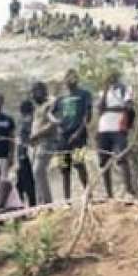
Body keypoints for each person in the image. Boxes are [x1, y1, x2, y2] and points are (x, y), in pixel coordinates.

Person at [49, 69, 92, 200]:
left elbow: (87, 115)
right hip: (62, 136)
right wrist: (55, 121)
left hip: (79, 136)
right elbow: (50, 113)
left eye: (73, 78)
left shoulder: (84, 94)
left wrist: (79, 132)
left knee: (80, 164)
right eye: (67, 78)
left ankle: (88, 196)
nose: (70, 80)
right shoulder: (61, 98)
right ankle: (67, 200)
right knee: (64, 168)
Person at [96, 71, 135, 199]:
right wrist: (106, 91)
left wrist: (120, 108)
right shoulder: (103, 91)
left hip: (118, 127)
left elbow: (129, 106)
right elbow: (100, 108)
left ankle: (128, 191)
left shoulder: (125, 89)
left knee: (122, 158)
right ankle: (109, 194)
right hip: (103, 128)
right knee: (103, 160)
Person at [29, 82, 56, 205]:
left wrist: (37, 134)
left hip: (46, 142)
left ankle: (47, 204)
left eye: (35, 92)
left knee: (38, 171)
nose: (33, 95)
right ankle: (40, 204)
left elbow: (52, 124)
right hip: (36, 144)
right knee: (36, 175)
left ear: (42, 91)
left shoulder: (51, 103)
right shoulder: (38, 107)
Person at [16, 99, 36, 206]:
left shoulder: (28, 121)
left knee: (27, 182)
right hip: (22, 154)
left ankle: (31, 205)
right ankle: (23, 206)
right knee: (21, 183)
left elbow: (28, 138)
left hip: (25, 154)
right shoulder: (25, 120)